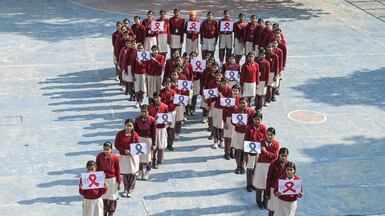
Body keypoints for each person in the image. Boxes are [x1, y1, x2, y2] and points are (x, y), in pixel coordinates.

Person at [253, 127, 279, 208]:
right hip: (260, 165)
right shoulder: (260, 142)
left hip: (270, 166)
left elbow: (274, 156)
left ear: (274, 135)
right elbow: (255, 151)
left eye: (271, 135)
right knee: (259, 184)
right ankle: (258, 201)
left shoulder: (276, 144)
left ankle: (265, 201)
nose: (269, 136)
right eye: (268, 134)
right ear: (266, 134)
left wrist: (265, 152)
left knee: (266, 184)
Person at [114, 119, 140, 198]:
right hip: (124, 156)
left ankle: (131, 188)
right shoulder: (119, 134)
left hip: (133, 156)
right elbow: (116, 145)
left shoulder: (135, 134)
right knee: (125, 174)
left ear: (133, 126)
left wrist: (132, 151)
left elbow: (138, 145)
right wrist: (124, 150)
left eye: (130, 126)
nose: (129, 127)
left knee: (132, 174)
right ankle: (125, 189)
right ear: (125, 125)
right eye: (127, 125)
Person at [96, 142, 121, 216]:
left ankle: (111, 212)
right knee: (103, 197)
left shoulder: (115, 157)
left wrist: (119, 182)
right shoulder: (99, 156)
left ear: (111, 149)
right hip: (102, 179)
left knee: (112, 197)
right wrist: (97, 180)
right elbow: (97, 168)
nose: (106, 151)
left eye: (108, 149)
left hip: (112, 180)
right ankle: (104, 211)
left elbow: (118, 170)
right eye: (104, 149)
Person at [244, 112, 267, 192]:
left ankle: (253, 183)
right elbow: (246, 140)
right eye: (256, 119)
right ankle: (248, 184)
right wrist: (246, 153)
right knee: (250, 168)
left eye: (259, 119)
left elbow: (265, 139)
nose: (257, 121)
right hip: (250, 152)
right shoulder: (249, 128)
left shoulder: (263, 128)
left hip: (259, 152)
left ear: (261, 120)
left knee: (256, 168)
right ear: (253, 119)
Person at [231, 97, 255, 174]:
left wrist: (248, 127)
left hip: (246, 134)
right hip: (238, 133)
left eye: (244, 103)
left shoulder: (251, 111)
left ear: (247, 103)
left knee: (245, 151)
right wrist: (236, 124)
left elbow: (253, 123)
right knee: (238, 151)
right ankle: (238, 166)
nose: (242, 104)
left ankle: (243, 166)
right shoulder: (236, 110)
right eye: (241, 103)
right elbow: (232, 121)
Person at [134, 105, 156, 180]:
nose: (143, 113)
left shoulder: (152, 120)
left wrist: (154, 144)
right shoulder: (137, 119)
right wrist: (134, 141)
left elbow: (154, 133)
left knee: (148, 157)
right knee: (139, 157)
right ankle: (140, 171)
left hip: (148, 140)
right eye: (142, 111)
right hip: (139, 139)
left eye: (145, 111)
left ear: (148, 112)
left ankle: (147, 171)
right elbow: (135, 132)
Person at [265, 147, 289, 216]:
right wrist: (267, 193)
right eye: (282, 155)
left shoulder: (288, 165)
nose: (284, 158)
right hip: (273, 190)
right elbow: (268, 179)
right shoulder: (273, 164)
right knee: (272, 209)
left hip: (284, 190)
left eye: (285, 156)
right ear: (279, 155)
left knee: (281, 210)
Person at [148, 91, 169, 168]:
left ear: (160, 98)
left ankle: (159, 161)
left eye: (158, 97)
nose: (156, 99)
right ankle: (153, 160)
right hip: (152, 129)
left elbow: (167, 119)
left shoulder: (165, 107)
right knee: (153, 146)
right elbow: (148, 117)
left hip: (161, 129)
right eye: (155, 97)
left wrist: (166, 124)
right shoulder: (150, 106)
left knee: (161, 146)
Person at [223, 84, 241, 159]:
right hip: (228, 118)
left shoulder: (240, 99)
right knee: (227, 137)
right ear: (231, 91)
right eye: (233, 90)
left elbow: (243, 110)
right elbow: (224, 111)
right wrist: (224, 122)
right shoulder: (228, 99)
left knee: (233, 137)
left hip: (236, 119)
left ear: (239, 92)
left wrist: (237, 108)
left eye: (236, 91)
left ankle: (231, 151)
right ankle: (226, 152)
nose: (235, 92)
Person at [160, 78, 177, 151]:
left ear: (171, 84)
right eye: (166, 84)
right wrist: (168, 100)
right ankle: (164, 143)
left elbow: (178, 102)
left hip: (172, 111)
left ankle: (170, 144)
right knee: (163, 128)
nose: (167, 85)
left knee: (171, 128)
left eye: (168, 83)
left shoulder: (174, 92)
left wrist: (174, 100)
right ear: (164, 84)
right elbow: (160, 102)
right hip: (164, 112)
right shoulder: (161, 92)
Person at [131, 43, 148, 108]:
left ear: (143, 49)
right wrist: (133, 75)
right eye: (139, 48)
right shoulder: (135, 55)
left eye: (141, 48)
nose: (140, 49)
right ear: (137, 49)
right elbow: (132, 66)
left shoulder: (145, 55)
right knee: (137, 89)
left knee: (143, 89)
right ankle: (137, 101)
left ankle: (142, 100)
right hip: (137, 74)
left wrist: (140, 63)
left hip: (144, 74)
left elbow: (147, 66)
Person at [190, 51, 201, 116]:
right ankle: (188, 109)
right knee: (189, 96)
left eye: (194, 56)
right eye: (192, 56)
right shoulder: (188, 63)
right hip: (189, 81)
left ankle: (193, 109)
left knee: (195, 96)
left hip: (196, 81)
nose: (193, 57)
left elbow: (201, 74)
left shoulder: (199, 63)